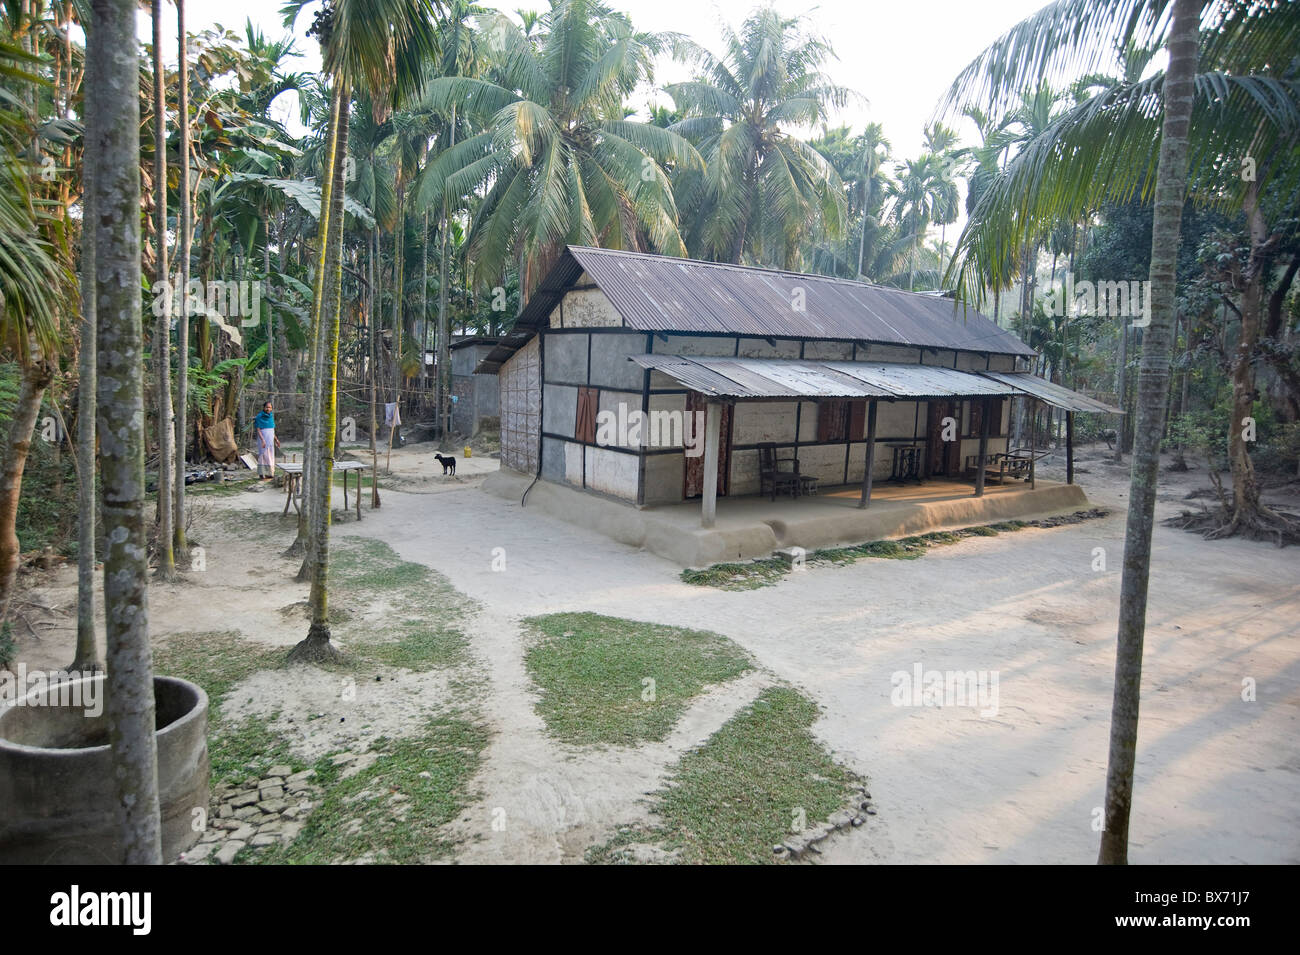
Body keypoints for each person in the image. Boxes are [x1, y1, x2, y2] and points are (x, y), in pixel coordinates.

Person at [254, 400, 280, 480]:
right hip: (263, 439)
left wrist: (276, 439)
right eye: (267, 407)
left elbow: (272, 430)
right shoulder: (259, 416)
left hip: (270, 439)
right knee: (263, 455)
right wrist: (263, 440)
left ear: (271, 408)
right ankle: (262, 473)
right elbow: (258, 429)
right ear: (264, 408)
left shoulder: (271, 417)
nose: (268, 409)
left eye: (270, 407)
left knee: (270, 456)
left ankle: (270, 473)